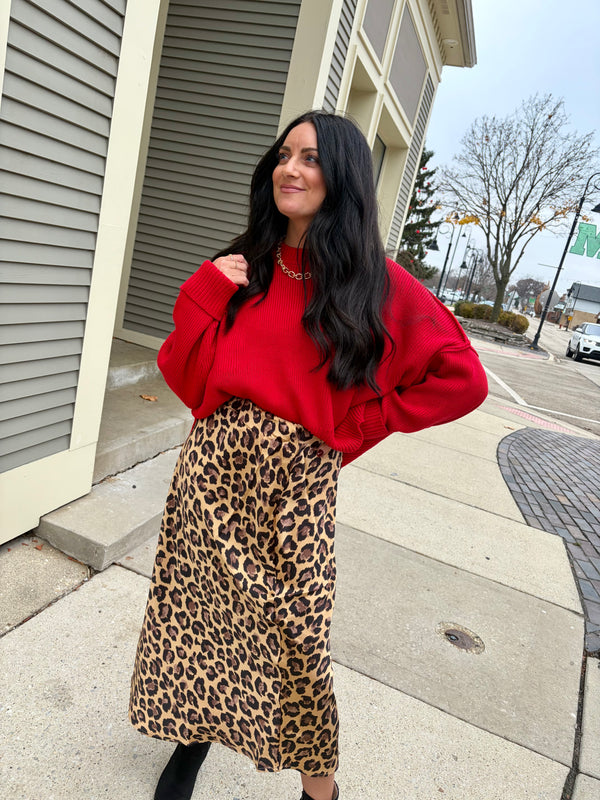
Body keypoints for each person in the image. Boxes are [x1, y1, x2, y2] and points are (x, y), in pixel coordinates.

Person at [129, 110, 488, 800]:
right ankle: (191, 742)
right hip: (212, 471)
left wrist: (360, 425)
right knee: (200, 616)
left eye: (311, 158)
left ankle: (319, 788)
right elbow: (185, 377)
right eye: (284, 155)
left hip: (297, 483)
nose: (289, 170)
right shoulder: (245, 265)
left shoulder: (375, 283)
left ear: (342, 177)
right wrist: (205, 292)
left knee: (296, 640)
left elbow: (462, 379)